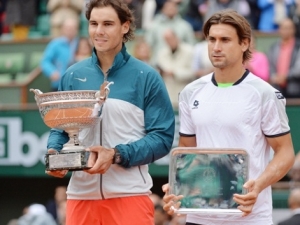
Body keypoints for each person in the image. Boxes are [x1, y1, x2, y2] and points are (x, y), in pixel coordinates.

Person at [45, 1, 175, 225]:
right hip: (80, 198)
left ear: (125, 26)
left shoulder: (146, 76)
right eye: (94, 23)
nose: (99, 31)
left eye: (108, 24)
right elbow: (61, 127)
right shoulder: (72, 75)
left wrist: (116, 154)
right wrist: (54, 151)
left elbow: (162, 138)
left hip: (130, 197)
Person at [162, 9, 295, 225]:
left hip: (250, 218)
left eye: (225, 40)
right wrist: (177, 184)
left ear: (244, 43)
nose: (216, 47)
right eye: (212, 39)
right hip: (200, 216)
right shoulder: (190, 92)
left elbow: (285, 151)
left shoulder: (264, 94)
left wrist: (259, 184)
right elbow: (187, 152)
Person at [156, 28, 195, 107]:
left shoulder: (189, 51)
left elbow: (193, 72)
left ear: (176, 37)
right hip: (168, 94)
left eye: (170, 39)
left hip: (184, 92)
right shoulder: (162, 53)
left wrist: (174, 73)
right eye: (166, 40)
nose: (169, 41)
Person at [40, 18, 79, 91]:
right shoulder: (55, 44)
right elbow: (45, 62)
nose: (70, 31)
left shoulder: (80, 43)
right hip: (59, 85)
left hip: (77, 85)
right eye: (68, 28)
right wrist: (52, 72)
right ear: (63, 29)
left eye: (73, 28)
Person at [268, 17, 300, 98]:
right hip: (277, 89)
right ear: (280, 29)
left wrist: (285, 76)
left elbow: (298, 69)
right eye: (284, 28)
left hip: (295, 90)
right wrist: (275, 77)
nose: (287, 30)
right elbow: (270, 66)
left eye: (289, 28)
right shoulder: (273, 47)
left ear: (294, 30)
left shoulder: (298, 46)